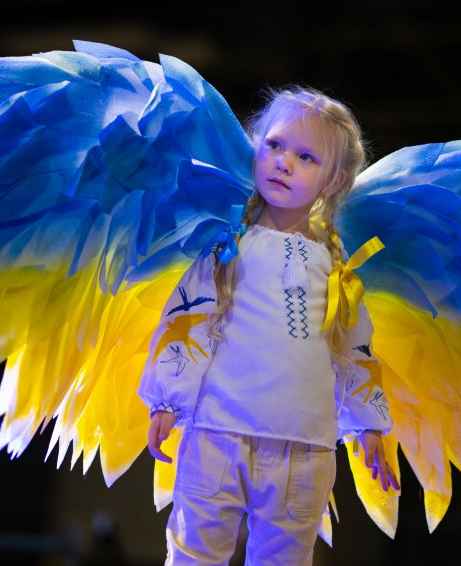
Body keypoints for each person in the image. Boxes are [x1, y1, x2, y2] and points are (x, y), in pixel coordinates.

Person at [138, 86, 400, 565]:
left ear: (334, 180)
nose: (284, 162)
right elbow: (186, 318)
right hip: (217, 431)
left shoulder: (337, 270)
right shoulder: (227, 248)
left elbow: (356, 349)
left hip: (305, 450)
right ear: (256, 147)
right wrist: (165, 400)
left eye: (306, 156)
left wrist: (369, 428)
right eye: (275, 146)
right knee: (193, 554)